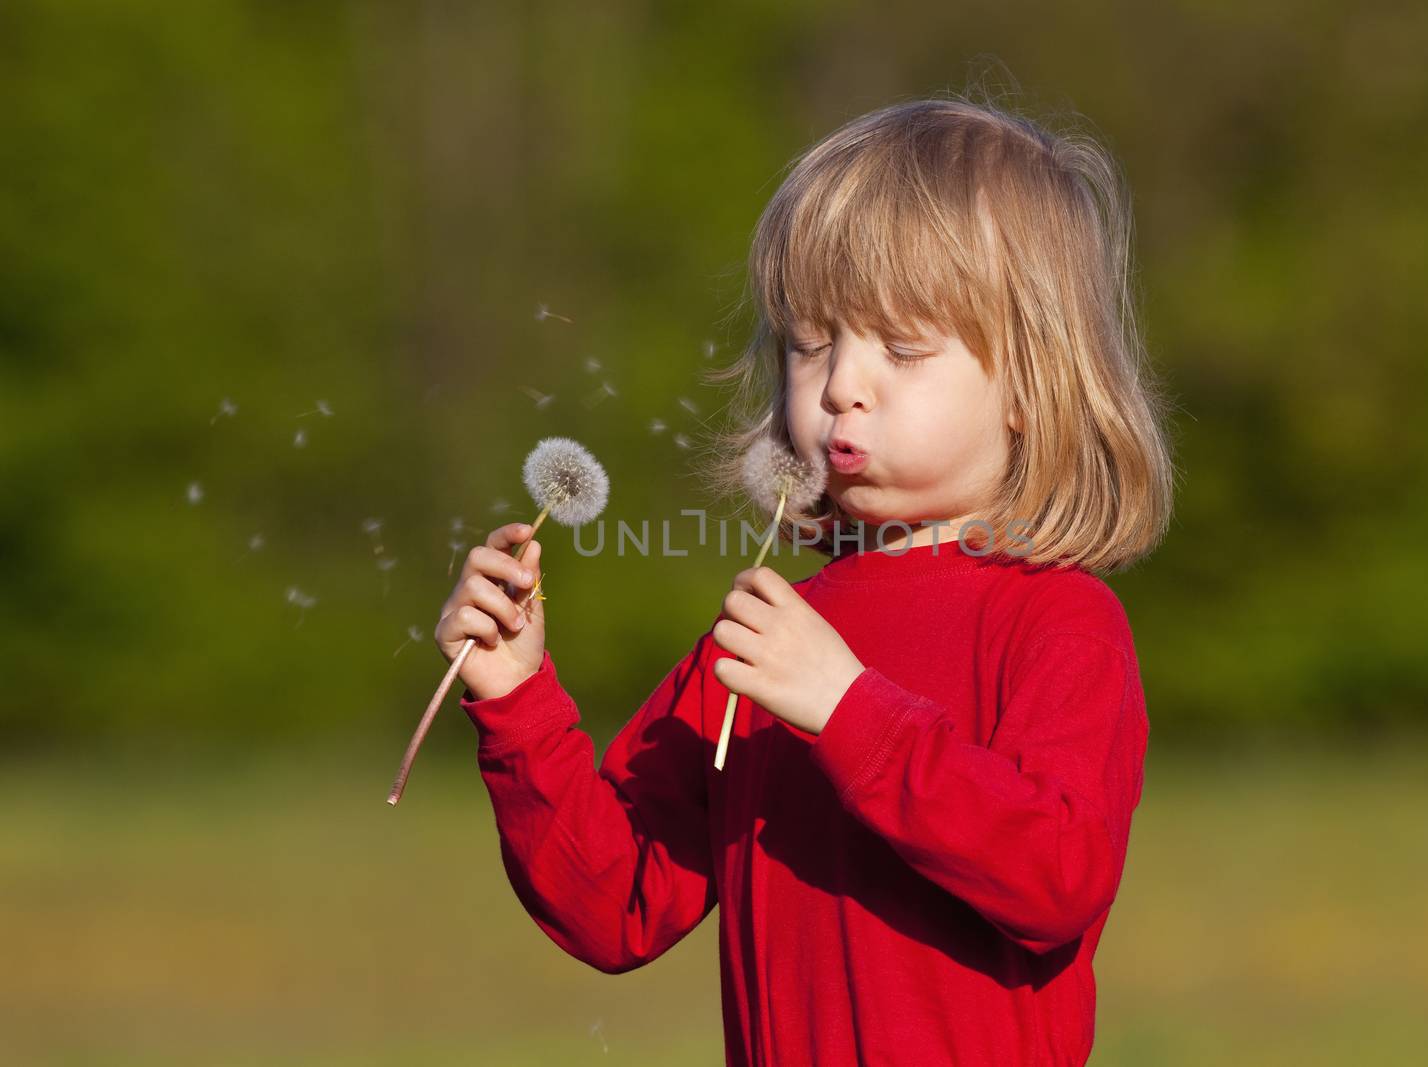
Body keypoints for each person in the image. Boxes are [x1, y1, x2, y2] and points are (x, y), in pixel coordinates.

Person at [434, 94, 1175, 1066]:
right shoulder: (768, 635)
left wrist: (848, 709)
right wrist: (516, 696)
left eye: (903, 348)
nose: (840, 385)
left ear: (1034, 388)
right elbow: (612, 903)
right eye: (812, 340)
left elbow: (1057, 874)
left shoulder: (1056, 620)